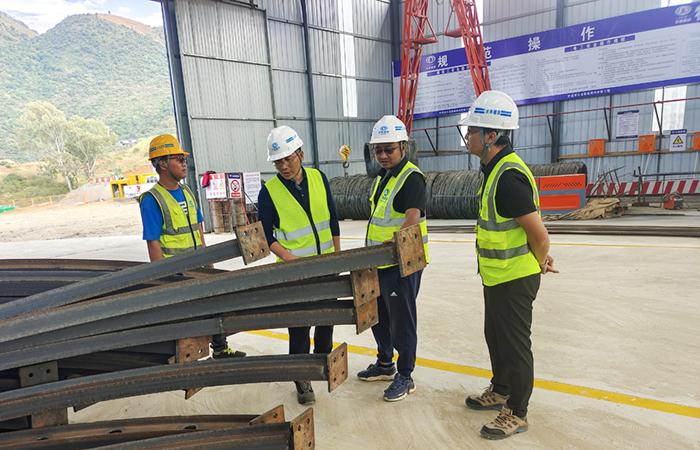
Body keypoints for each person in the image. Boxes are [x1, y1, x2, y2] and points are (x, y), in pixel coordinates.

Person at [459, 90, 557, 440]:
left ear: (492, 136)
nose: (467, 136)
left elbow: (539, 234)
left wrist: (539, 261)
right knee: (496, 338)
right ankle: (501, 390)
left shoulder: (508, 177)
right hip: (497, 276)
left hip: (515, 278)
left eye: (472, 130)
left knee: (515, 347)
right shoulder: (494, 169)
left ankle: (516, 411)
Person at [138, 134, 245, 359]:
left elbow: (198, 229)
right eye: (178, 159)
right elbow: (153, 242)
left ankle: (220, 348)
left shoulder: (187, 192)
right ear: (163, 164)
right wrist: (161, 278)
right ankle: (183, 359)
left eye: (184, 159)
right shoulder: (152, 200)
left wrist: (208, 260)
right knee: (184, 317)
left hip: (198, 265)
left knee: (214, 304)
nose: (184, 163)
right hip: (175, 272)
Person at [257, 125, 341, 405]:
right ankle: (301, 378)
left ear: (301, 154)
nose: (284, 166)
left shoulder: (319, 178)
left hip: (326, 267)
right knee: (300, 327)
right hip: (295, 273)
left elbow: (332, 220)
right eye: (278, 162)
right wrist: (291, 259)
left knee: (327, 320)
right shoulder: (269, 192)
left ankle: (321, 363)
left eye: (288, 159)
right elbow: (267, 237)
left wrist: (338, 256)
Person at [357, 115, 429, 402]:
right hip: (379, 262)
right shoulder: (383, 178)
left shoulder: (412, 178)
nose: (383, 155)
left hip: (401, 264)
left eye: (389, 149)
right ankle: (385, 363)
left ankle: (405, 375)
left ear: (404, 147)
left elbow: (412, 218)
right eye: (379, 150)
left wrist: (396, 241)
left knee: (402, 320)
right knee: (379, 316)